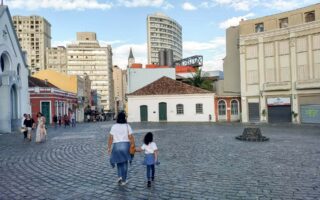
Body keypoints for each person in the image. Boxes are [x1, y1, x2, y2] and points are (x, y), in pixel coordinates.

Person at [107, 112, 133, 186]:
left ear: (118, 118)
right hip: (125, 145)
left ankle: (119, 177)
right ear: (124, 118)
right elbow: (131, 137)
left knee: (118, 161)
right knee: (125, 163)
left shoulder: (114, 126)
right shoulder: (127, 126)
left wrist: (109, 147)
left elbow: (110, 138)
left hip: (116, 145)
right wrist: (132, 145)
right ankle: (124, 181)